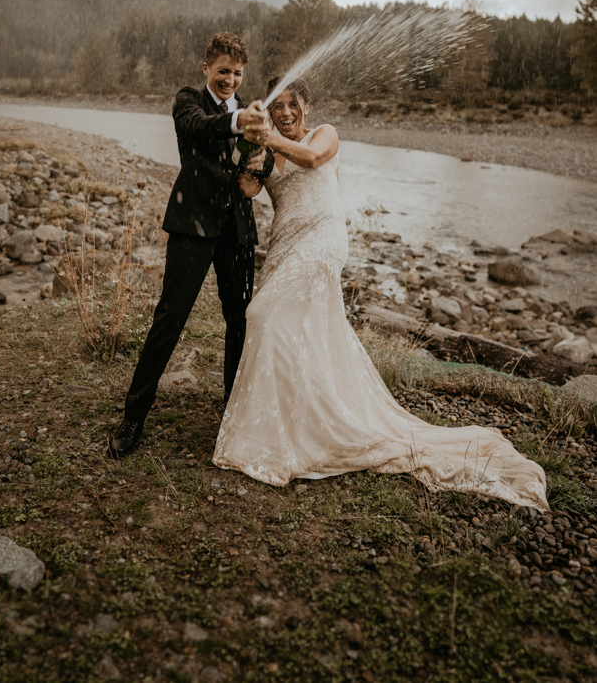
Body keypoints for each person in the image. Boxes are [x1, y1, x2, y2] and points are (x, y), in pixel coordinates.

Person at [213, 77, 549, 510]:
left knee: (261, 315)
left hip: (322, 241)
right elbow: (247, 188)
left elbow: (314, 160)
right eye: (277, 108)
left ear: (307, 106)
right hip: (284, 245)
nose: (284, 113)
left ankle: (284, 430)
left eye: (292, 105)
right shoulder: (268, 150)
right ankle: (293, 422)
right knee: (296, 332)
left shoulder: (323, 135)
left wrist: (273, 140)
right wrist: (247, 145)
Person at [108, 32, 272, 459]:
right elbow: (200, 128)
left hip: (237, 230)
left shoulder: (251, 109)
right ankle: (133, 417)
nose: (230, 81)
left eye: (237, 74)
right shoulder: (188, 101)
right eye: (223, 72)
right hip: (191, 226)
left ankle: (232, 417)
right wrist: (239, 124)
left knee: (240, 320)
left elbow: (268, 157)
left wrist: (260, 166)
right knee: (170, 317)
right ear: (206, 68)